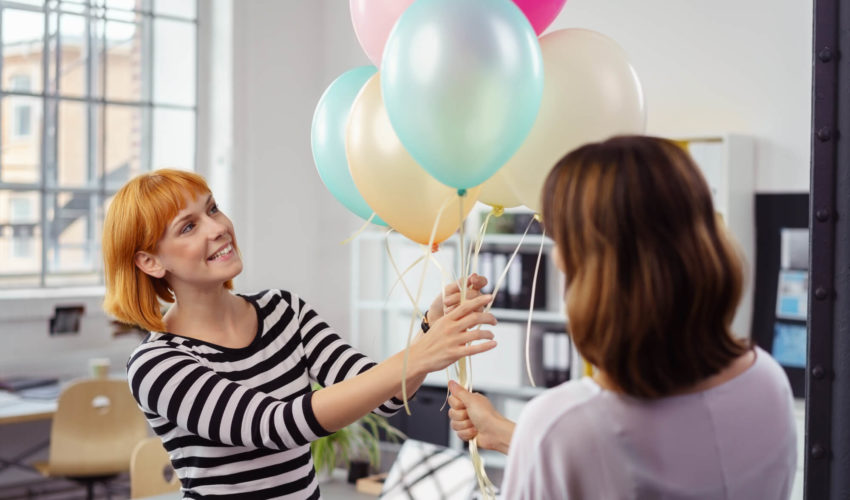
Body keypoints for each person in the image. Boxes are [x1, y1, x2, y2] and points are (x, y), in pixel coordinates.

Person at [102, 169, 498, 499]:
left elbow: (385, 398)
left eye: (213, 209)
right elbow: (276, 426)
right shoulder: (157, 364)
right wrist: (424, 353)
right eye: (189, 226)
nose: (218, 228)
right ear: (150, 262)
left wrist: (427, 330)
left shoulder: (282, 310)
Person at [447, 136, 797, 499]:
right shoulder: (768, 381)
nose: (557, 259)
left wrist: (533, 442)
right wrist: (506, 434)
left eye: (563, 242)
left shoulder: (561, 427)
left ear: (592, 267)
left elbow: (592, 449)